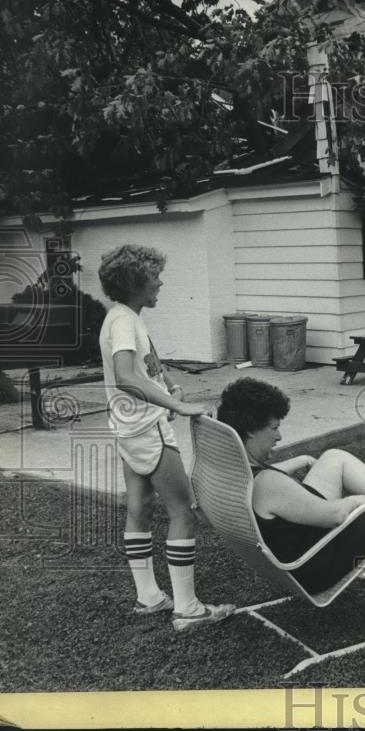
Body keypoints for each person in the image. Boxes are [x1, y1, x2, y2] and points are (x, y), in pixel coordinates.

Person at [215, 378, 365, 606]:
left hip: (295, 544)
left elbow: (267, 480)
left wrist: (300, 459)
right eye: (273, 428)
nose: (279, 436)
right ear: (250, 430)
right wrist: (360, 500)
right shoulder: (268, 484)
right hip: (312, 564)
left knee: (335, 458)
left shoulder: (234, 472)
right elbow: (334, 516)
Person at [98, 243, 234, 632]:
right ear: (137, 283)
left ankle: (150, 597)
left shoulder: (122, 316)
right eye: (154, 276)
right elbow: (126, 375)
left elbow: (146, 366)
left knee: (139, 507)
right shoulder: (125, 322)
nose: (161, 282)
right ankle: (187, 609)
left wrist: (171, 384)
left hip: (127, 428)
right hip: (148, 427)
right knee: (183, 513)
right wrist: (179, 407)